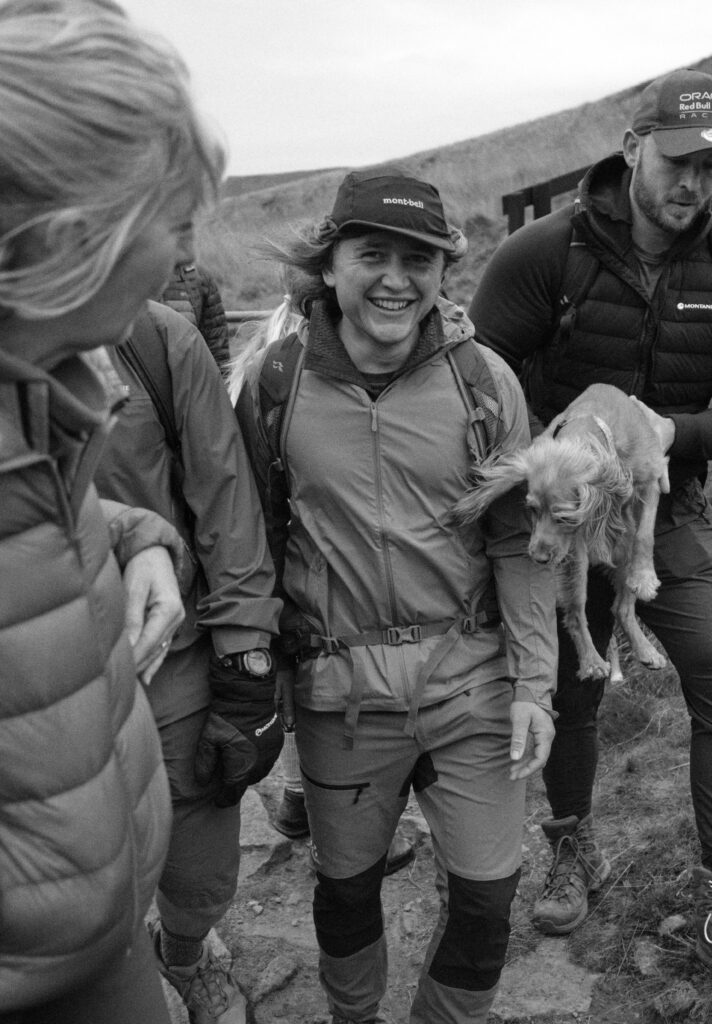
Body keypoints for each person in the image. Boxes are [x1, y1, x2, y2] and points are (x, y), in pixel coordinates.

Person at [468, 69, 712, 1010]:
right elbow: (474, 383)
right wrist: (533, 482)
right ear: (631, 148)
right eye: (677, 161)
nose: (693, 183)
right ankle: (573, 846)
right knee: (569, 681)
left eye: (711, 168)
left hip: (667, 513)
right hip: (558, 515)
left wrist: (668, 432)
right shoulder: (541, 256)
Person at [234, 167, 557, 1024]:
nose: (395, 279)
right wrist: (260, 682)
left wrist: (535, 685)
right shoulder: (275, 385)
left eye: (418, 259)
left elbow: (518, 540)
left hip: (472, 681)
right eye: (371, 254)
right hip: (338, 694)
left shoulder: (483, 382)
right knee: (346, 890)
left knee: (487, 900)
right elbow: (252, 540)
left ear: (444, 269)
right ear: (329, 264)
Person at [0, 1, 224, 1022]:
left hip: (103, 933)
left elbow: (38, 527)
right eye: (170, 224)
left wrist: (141, 542)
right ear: (72, 241)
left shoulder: (37, 385)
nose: (181, 260)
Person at [92, 298, 282, 1024]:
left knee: (198, 837)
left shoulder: (154, 338)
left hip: (170, 652)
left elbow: (224, 497)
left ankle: (185, 952)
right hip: (28, 673)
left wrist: (245, 662)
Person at [228, 281, 416, 877]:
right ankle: (347, 822)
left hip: (284, 564)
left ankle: (300, 798)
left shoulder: (264, 353)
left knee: (302, 679)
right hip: (314, 567)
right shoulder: (289, 364)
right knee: (322, 683)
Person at [161, 236, 231, 374]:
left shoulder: (198, 277)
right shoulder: (126, 275)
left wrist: (220, 382)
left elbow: (216, 346)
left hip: (187, 378)